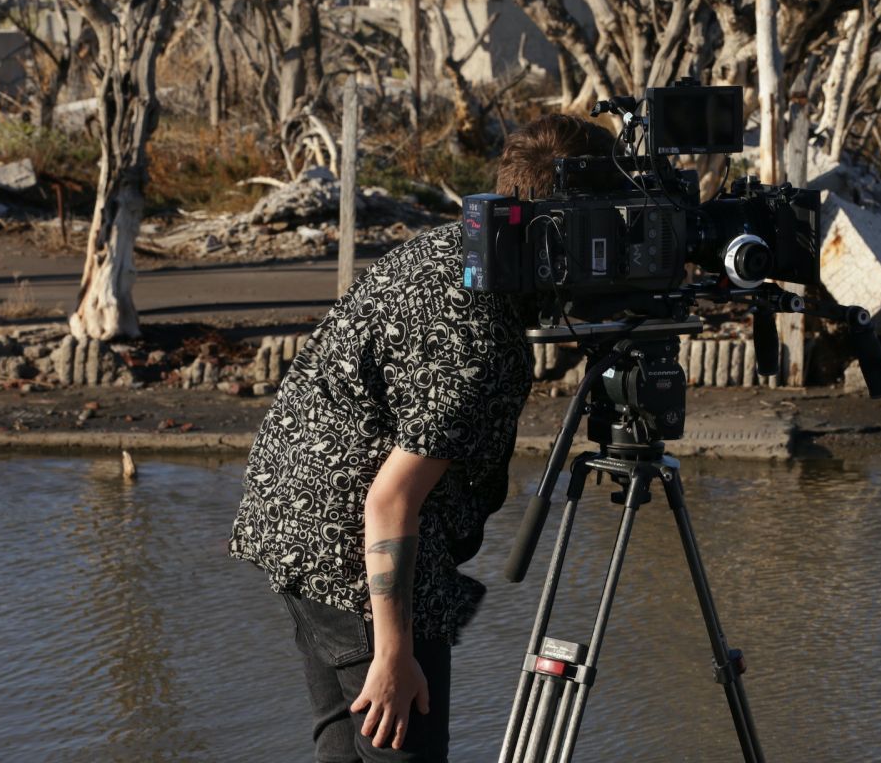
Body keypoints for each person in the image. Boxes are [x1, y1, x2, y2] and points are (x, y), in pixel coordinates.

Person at [229, 114, 616, 763]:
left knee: (347, 749)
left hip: (288, 511)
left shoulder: (459, 245)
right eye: (606, 226)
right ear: (560, 232)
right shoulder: (478, 339)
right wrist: (394, 655)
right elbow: (389, 503)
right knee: (399, 726)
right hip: (350, 539)